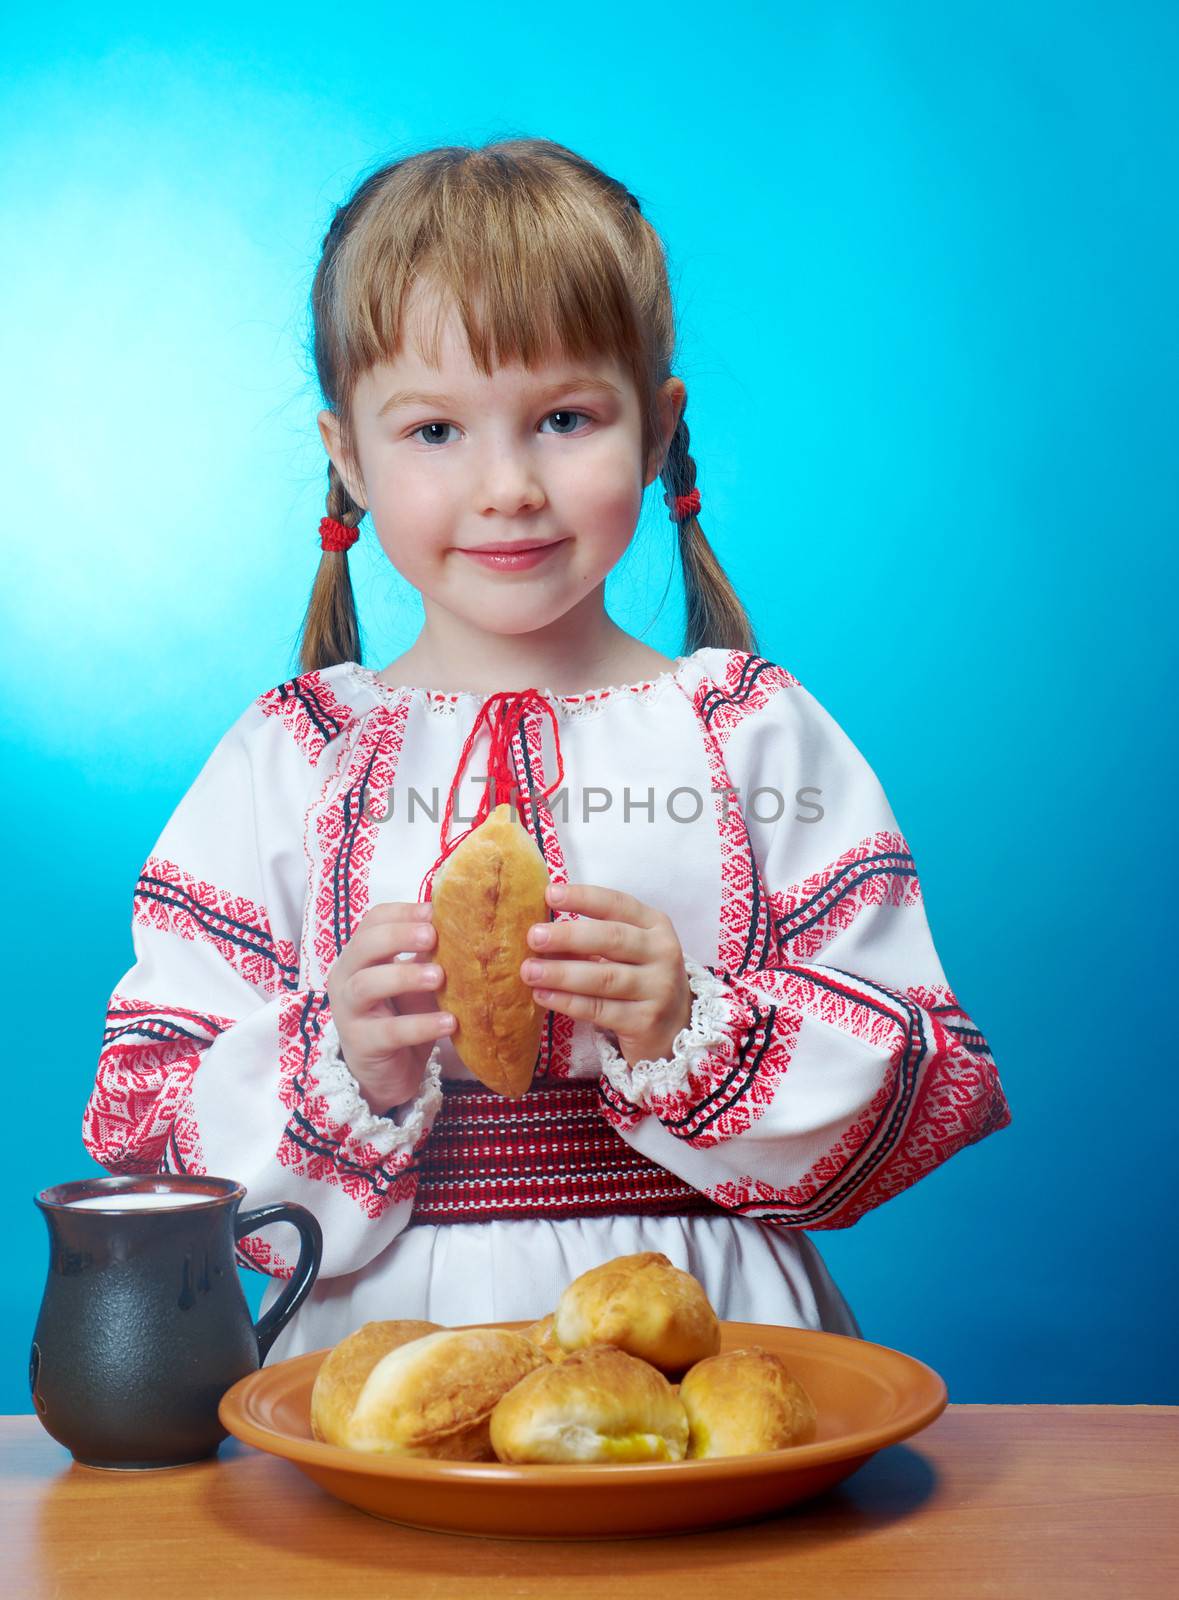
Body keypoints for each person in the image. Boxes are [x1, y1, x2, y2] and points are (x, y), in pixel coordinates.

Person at [82, 137, 1011, 1361]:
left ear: (657, 425)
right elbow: (148, 1126)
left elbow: (922, 1076)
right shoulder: (290, 759)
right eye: (434, 431)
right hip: (383, 1344)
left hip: (709, 1322)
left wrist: (688, 1020)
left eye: (565, 417)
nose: (508, 484)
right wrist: (340, 1054)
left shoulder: (751, 733)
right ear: (346, 457)